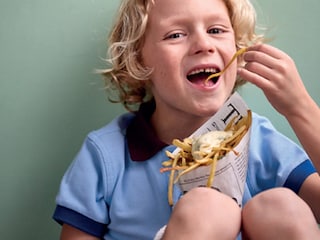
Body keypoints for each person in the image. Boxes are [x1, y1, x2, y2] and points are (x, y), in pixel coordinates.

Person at [52, 0, 320, 239]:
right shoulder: (105, 154)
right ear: (138, 61)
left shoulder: (258, 139)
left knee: (282, 207)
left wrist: (301, 109)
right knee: (208, 209)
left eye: (216, 30)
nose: (204, 45)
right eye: (176, 34)